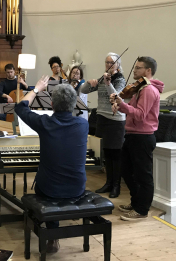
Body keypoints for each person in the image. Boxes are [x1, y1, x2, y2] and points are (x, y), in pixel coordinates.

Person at [15, 76, 89, 254]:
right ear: (73, 104)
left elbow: (19, 107)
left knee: (47, 183)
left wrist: (36, 89)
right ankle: (53, 233)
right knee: (56, 179)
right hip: (77, 188)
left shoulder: (45, 122)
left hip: (49, 190)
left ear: (52, 105)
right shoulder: (83, 124)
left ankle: (52, 234)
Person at [110, 57, 164, 221]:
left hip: (143, 137)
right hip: (133, 136)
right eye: (135, 67)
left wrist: (122, 104)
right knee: (126, 171)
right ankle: (136, 203)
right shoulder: (140, 88)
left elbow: (140, 116)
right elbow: (132, 109)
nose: (135, 71)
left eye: (139, 68)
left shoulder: (148, 90)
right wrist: (119, 104)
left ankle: (142, 210)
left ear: (148, 71)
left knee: (143, 175)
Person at [80, 52, 126, 198]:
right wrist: (89, 82)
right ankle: (108, 183)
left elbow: (116, 96)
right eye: (106, 62)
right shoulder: (103, 76)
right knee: (106, 152)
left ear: (118, 64)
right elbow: (84, 90)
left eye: (111, 62)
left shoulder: (120, 79)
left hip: (115, 120)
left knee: (115, 154)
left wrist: (108, 83)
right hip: (102, 118)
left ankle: (116, 186)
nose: (108, 65)